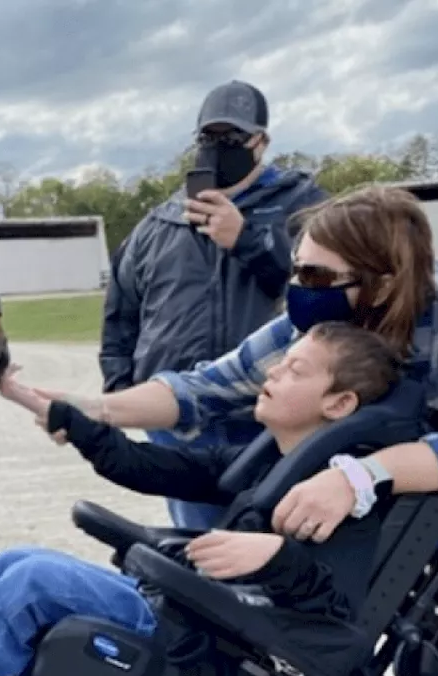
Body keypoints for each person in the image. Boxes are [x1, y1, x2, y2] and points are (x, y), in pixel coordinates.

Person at [0, 322, 404, 676]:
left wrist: (278, 559)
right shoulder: (261, 463)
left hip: (225, 651)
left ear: (338, 404)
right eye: (280, 362)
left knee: (30, 584)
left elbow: (334, 614)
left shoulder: (341, 495)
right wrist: (45, 407)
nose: (274, 372)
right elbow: (141, 462)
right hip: (195, 615)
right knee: (8, 563)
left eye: (295, 369)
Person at [43, 185, 438, 546]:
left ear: (381, 288)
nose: (299, 287)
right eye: (298, 270)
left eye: (317, 276)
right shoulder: (320, 320)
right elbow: (203, 390)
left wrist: (357, 477)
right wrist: (94, 409)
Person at [99, 79, 328, 531]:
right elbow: (122, 313)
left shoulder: (305, 208)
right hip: (178, 421)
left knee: (270, 537)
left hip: (266, 415)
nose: (217, 147)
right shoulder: (159, 222)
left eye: (232, 138)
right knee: (197, 544)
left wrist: (248, 241)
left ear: (261, 142)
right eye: (208, 137)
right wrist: (122, 389)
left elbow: (332, 292)